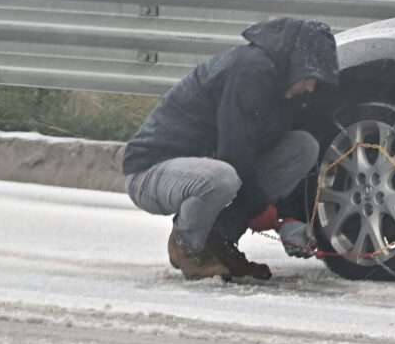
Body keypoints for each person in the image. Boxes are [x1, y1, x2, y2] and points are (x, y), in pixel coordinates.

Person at [122, 17, 339, 280]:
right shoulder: (251, 70)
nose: (311, 86)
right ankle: (186, 246)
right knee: (222, 177)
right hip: (152, 171)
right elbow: (235, 153)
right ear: (295, 63)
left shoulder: (285, 88)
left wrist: (290, 217)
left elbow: (260, 157)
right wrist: (270, 216)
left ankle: (218, 241)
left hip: (206, 166)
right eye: (310, 76)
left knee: (303, 146)